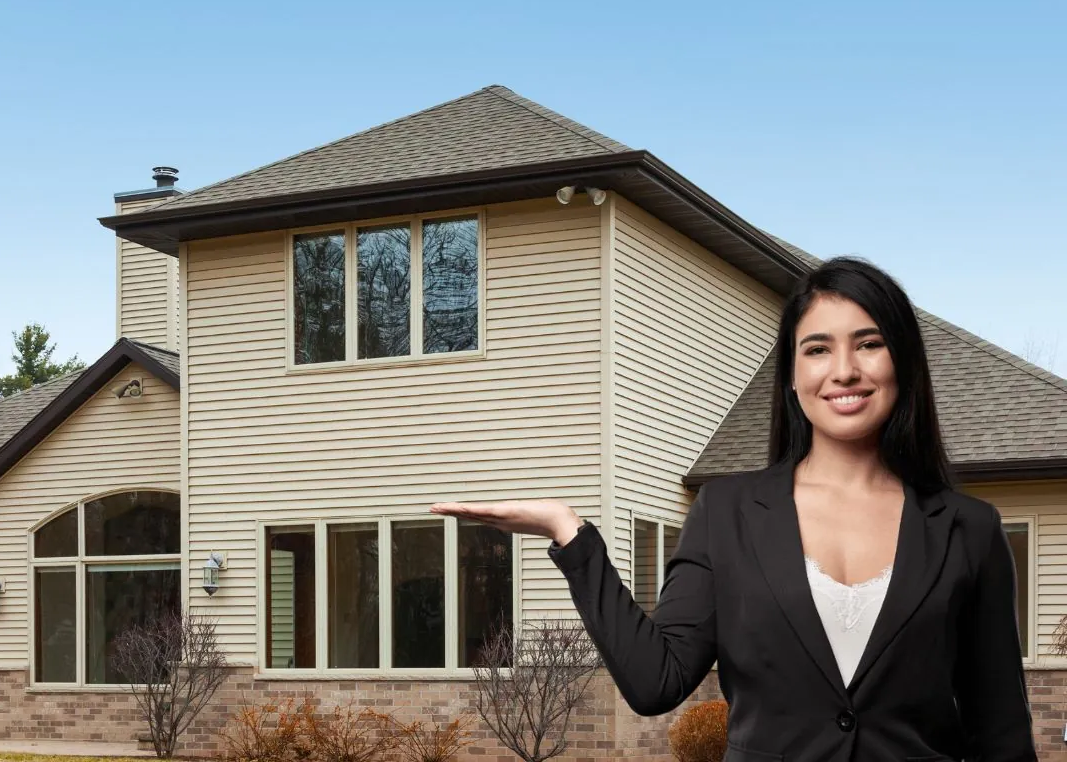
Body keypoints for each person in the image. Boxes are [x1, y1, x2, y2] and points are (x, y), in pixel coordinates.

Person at [432, 257, 1037, 761]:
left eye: (870, 344)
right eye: (818, 349)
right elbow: (655, 681)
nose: (845, 370)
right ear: (792, 378)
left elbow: (1002, 732)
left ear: (901, 364)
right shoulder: (726, 512)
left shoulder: (969, 529)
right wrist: (570, 535)